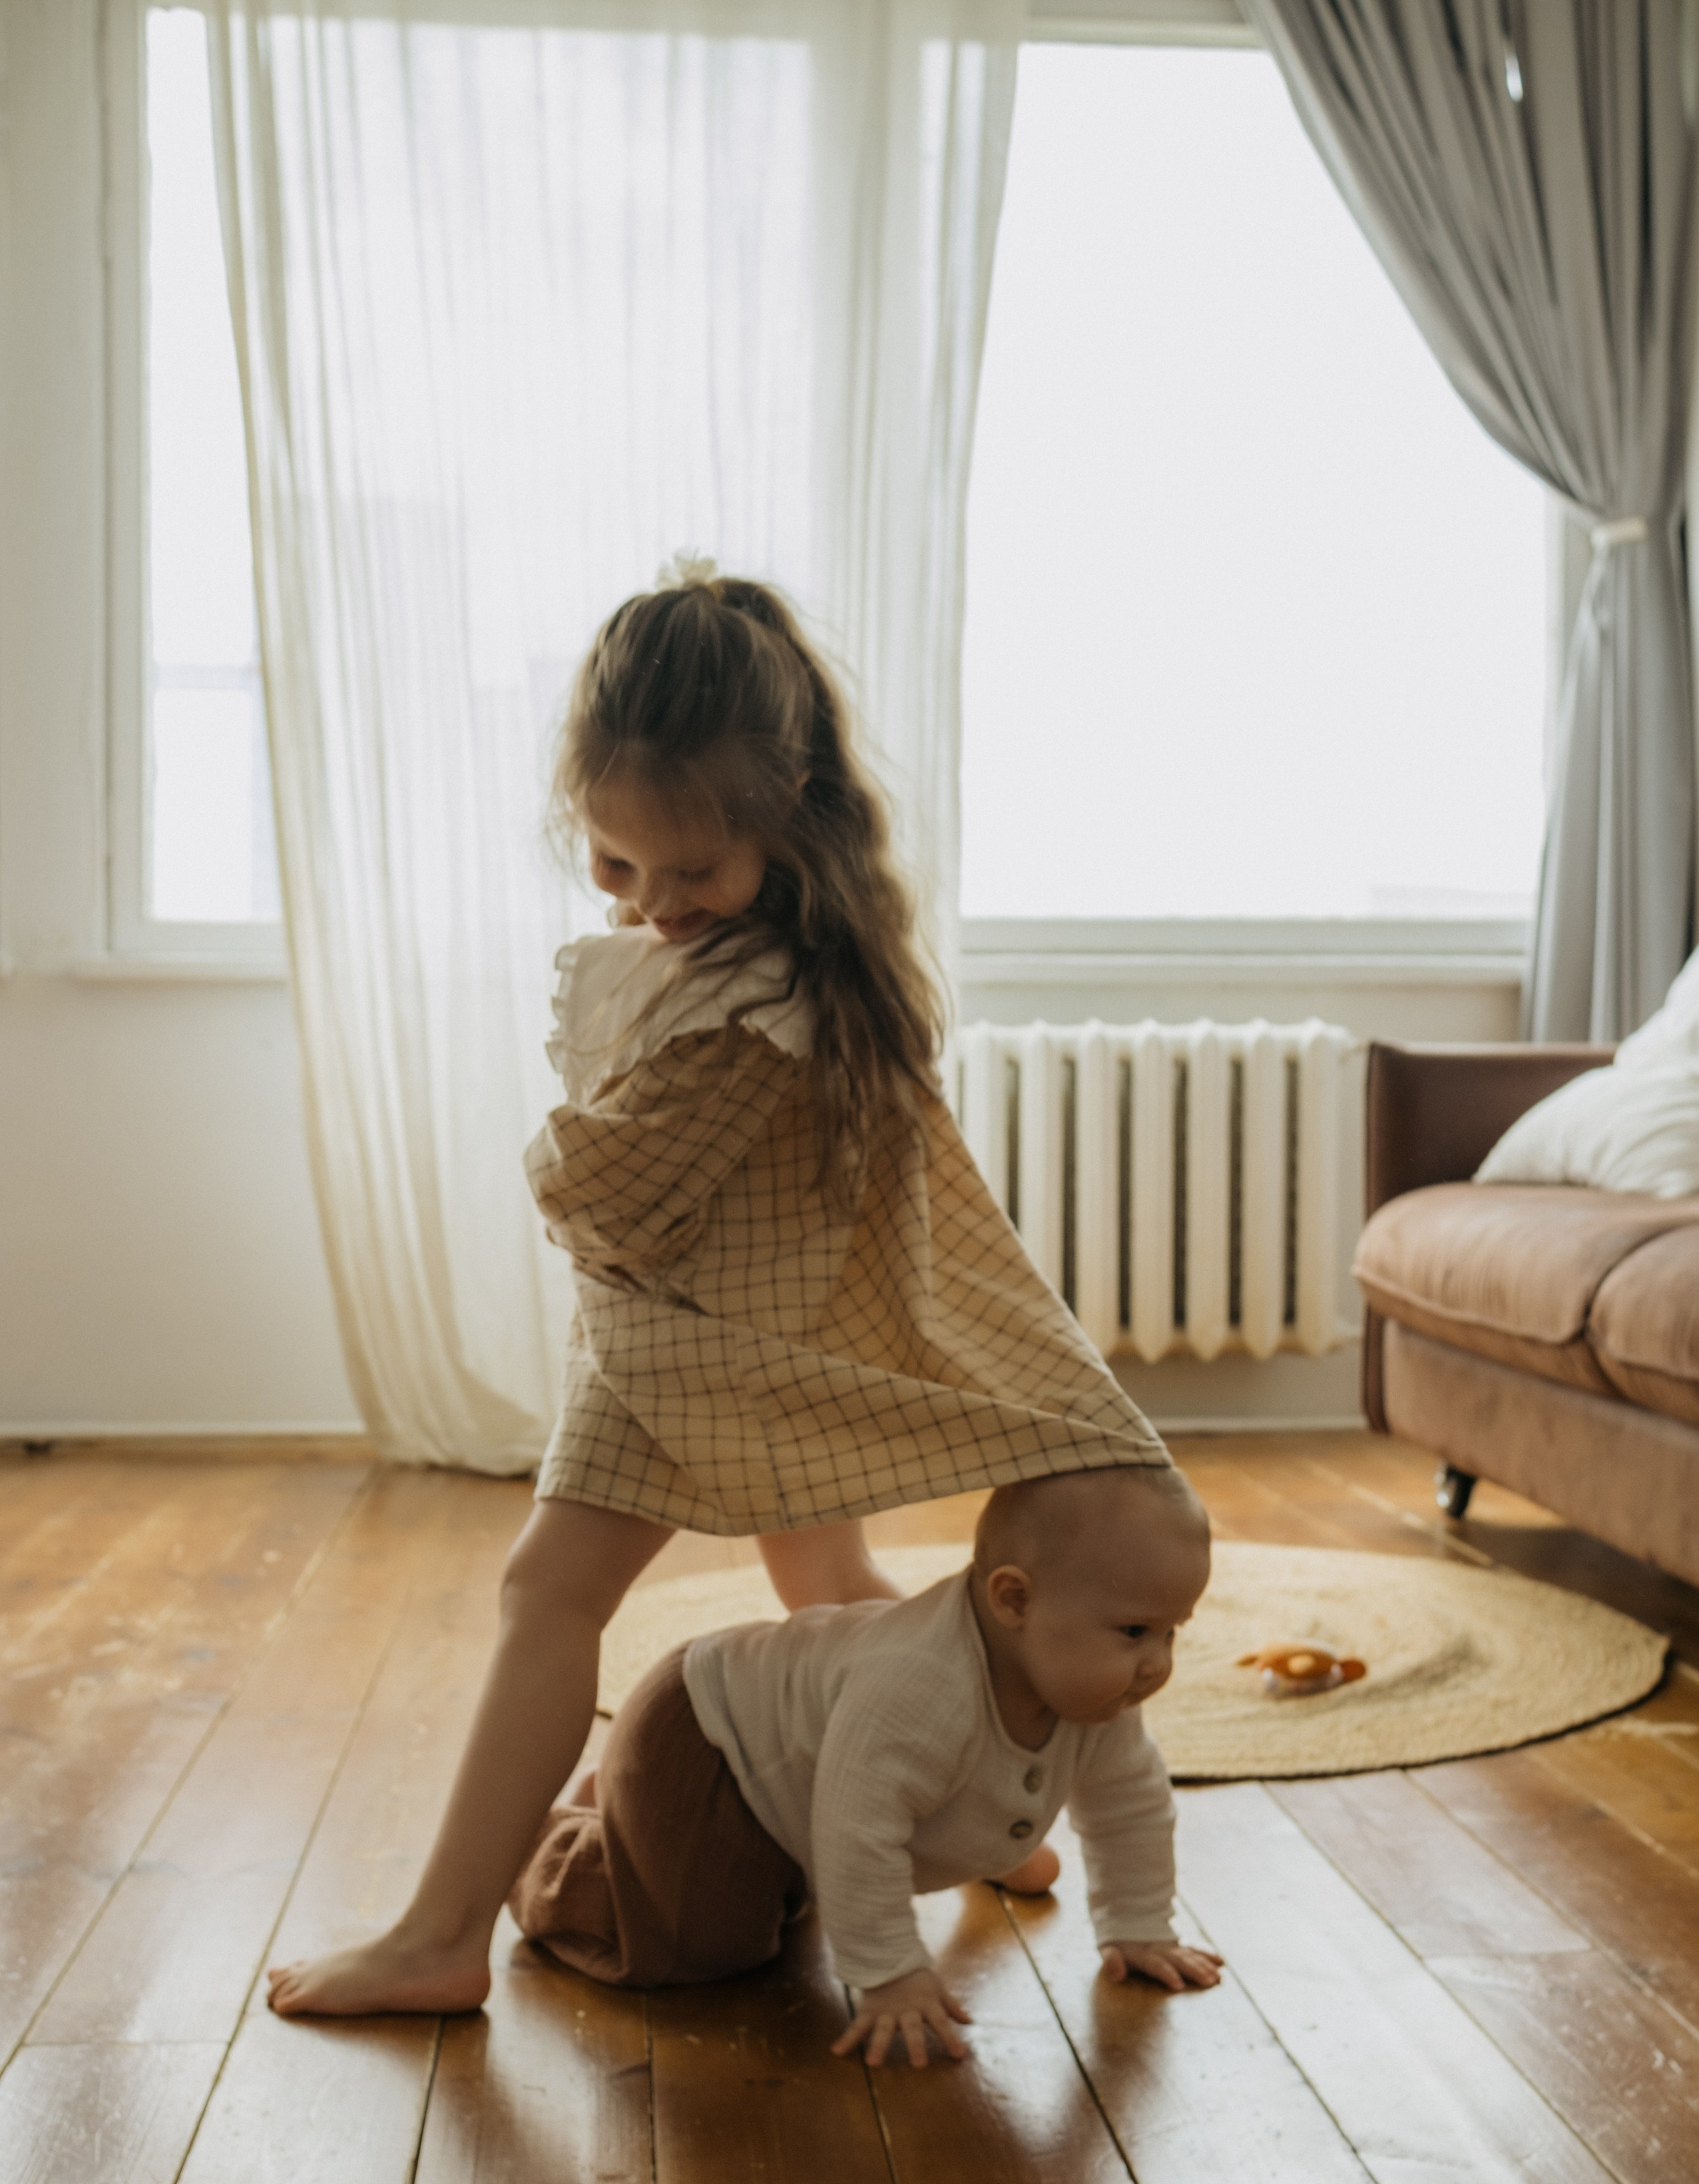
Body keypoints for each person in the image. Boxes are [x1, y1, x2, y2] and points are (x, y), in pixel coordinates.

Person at [268, 564, 1173, 2021]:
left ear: (784, 807)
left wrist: (556, 1139)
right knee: (825, 1584)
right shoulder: (782, 952)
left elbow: (604, 1193)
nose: (657, 907)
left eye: (693, 872)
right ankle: (1000, 1818)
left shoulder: (755, 1010)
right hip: (747, 1329)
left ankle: (441, 1936)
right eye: (619, 869)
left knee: (546, 1592)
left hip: (693, 1350)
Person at [509, 1466, 1222, 2064]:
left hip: (786, 1797)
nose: (1156, 1663)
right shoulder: (921, 1687)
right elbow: (855, 1826)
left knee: (782, 1910)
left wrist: (1137, 1923)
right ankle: (553, 1846)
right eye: (1133, 1631)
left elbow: (1131, 1806)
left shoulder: (1095, 1694)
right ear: (1014, 1600)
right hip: (706, 1745)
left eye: (1170, 1632)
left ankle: (634, 1818)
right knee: (694, 1952)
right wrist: (889, 1973)